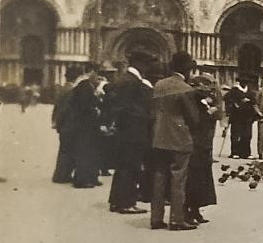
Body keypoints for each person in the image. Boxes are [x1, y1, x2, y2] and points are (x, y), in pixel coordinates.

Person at [150, 51, 201, 231]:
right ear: (187, 69)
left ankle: (156, 218)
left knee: (159, 176)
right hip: (179, 138)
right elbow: (193, 118)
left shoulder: (159, 85)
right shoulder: (185, 88)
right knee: (178, 177)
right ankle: (176, 219)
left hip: (159, 136)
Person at [107, 57, 153, 214]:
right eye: (146, 63)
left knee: (123, 166)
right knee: (130, 166)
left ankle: (116, 201)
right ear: (140, 64)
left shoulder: (125, 79)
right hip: (133, 132)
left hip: (124, 132)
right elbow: (131, 109)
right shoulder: (133, 82)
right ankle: (126, 203)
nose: (148, 67)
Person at [185, 74, 221, 225]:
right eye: (207, 85)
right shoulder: (194, 99)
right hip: (196, 144)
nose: (209, 89)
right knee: (193, 178)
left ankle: (196, 209)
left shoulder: (206, 99)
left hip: (204, 144)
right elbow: (195, 120)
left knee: (202, 177)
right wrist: (208, 112)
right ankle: (189, 210)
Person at [66, 65, 103, 189]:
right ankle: (82, 180)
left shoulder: (85, 85)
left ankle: (90, 177)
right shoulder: (84, 85)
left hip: (86, 124)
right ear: (90, 72)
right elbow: (85, 105)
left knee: (90, 152)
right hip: (84, 125)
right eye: (96, 73)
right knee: (84, 152)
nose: (97, 77)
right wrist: (96, 109)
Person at [51, 67, 81, 183]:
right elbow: (66, 109)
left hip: (63, 124)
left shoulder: (63, 88)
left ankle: (62, 174)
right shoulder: (71, 90)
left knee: (64, 150)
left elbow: (57, 107)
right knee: (67, 150)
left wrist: (55, 121)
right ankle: (62, 176)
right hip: (68, 124)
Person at [224, 76, 257, 158]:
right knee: (236, 134)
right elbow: (227, 99)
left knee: (247, 134)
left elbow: (254, 102)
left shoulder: (250, 91)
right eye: (242, 82)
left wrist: (249, 101)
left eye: (246, 82)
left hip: (247, 116)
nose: (244, 83)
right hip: (237, 116)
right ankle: (235, 152)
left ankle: (245, 153)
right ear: (239, 82)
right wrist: (236, 103)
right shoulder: (234, 91)